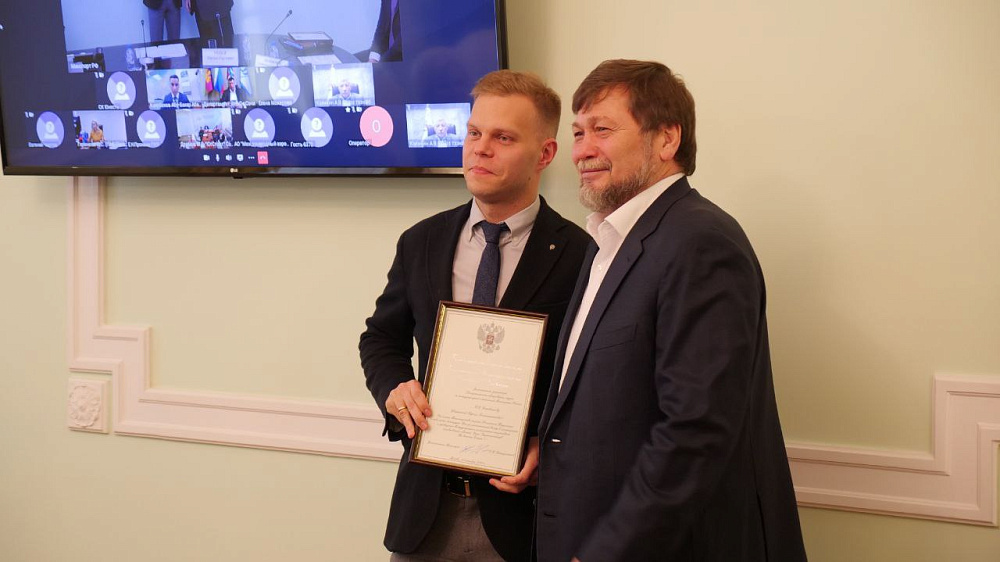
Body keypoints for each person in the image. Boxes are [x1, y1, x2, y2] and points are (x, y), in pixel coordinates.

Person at [534, 59, 808, 562]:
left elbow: (695, 431)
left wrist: (605, 552)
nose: (582, 150)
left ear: (666, 139)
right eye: (577, 133)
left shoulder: (700, 241)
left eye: (602, 130)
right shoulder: (607, 242)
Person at [360, 70, 590, 562]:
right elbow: (380, 339)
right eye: (474, 133)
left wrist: (551, 447)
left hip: (523, 517)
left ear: (545, 154)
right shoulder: (422, 241)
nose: (480, 149)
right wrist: (394, 387)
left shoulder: (581, 254)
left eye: (503, 138)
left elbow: (594, 378)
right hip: (424, 513)